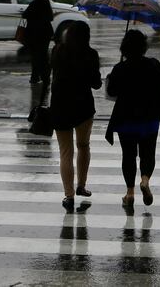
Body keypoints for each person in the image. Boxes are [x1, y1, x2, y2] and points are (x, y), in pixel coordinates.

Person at [105, 29, 160, 207]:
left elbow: (111, 91)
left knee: (128, 156)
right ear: (144, 47)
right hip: (149, 118)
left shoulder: (120, 68)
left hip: (126, 120)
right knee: (148, 153)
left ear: (124, 48)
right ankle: (144, 180)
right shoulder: (153, 64)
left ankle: (129, 194)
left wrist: (114, 77)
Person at [50, 21, 102, 210]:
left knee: (66, 152)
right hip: (83, 107)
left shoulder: (58, 51)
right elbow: (96, 84)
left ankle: (68, 195)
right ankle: (81, 185)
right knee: (83, 145)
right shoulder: (91, 54)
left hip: (60, 105)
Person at [22, 0, 54, 87]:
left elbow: (24, 15)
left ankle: (34, 77)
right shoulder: (47, 5)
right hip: (45, 33)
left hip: (33, 33)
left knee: (35, 55)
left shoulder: (33, 4)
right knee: (44, 55)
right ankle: (46, 77)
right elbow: (51, 18)